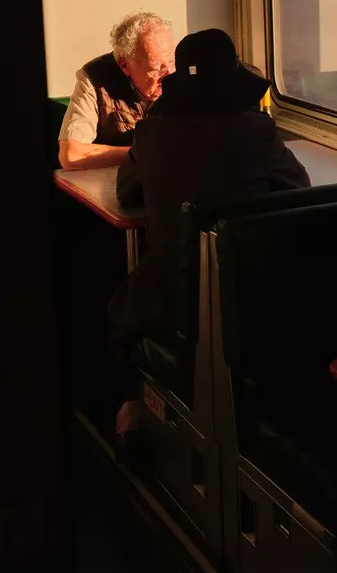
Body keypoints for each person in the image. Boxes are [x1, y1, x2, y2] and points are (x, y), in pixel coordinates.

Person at [108, 29, 309, 445]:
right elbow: (298, 187)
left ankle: (129, 409)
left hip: (173, 299)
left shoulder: (152, 134)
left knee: (119, 308)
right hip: (253, 299)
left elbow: (126, 193)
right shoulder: (258, 132)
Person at [58, 11, 174, 170]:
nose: (170, 73)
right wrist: (143, 154)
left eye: (171, 61)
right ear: (125, 65)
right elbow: (71, 156)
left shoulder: (185, 75)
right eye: (155, 69)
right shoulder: (95, 78)